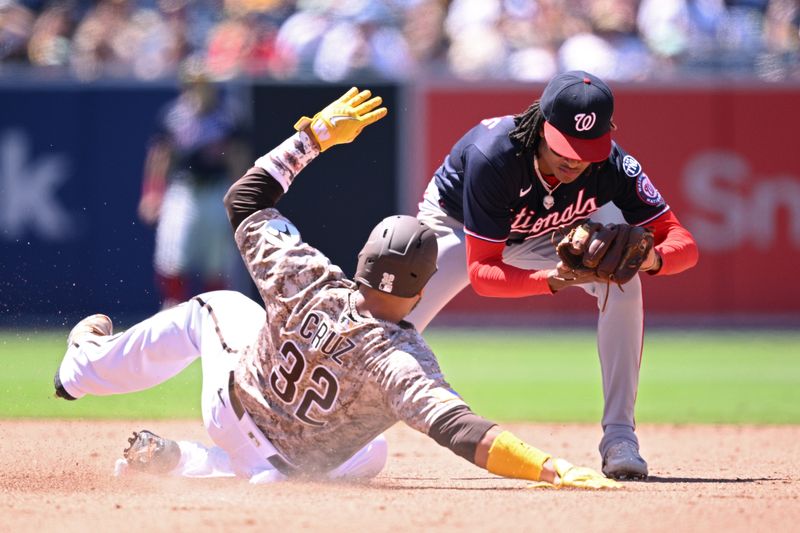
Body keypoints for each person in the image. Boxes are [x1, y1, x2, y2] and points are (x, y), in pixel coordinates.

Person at [53, 87, 619, 489]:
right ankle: (235, 468)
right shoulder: (405, 361)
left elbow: (245, 199)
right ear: (422, 293)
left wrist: (315, 136)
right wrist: (551, 468)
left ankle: (89, 375)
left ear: (362, 260)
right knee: (371, 451)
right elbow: (463, 431)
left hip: (233, 408)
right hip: (294, 464)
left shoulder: (310, 279)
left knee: (219, 306)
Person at [406, 70, 699, 480]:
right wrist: (552, 279)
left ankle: (620, 437)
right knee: (395, 328)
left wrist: (651, 258)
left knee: (624, 281)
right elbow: (484, 271)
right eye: (565, 146)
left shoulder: (613, 164)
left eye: (587, 149)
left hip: (537, 236)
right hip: (455, 228)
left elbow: (684, 243)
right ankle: (337, 429)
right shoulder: (493, 154)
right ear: (542, 125)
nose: (575, 159)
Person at [138, 61, 251, 309]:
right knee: (172, 254)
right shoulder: (174, 114)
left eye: (202, 84)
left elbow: (237, 158)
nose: (198, 89)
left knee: (217, 260)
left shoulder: (227, 116)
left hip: (216, 189)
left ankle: (215, 315)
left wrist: (241, 198)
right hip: (183, 190)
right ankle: (172, 308)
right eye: (193, 84)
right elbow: (160, 155)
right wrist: (152, 193)